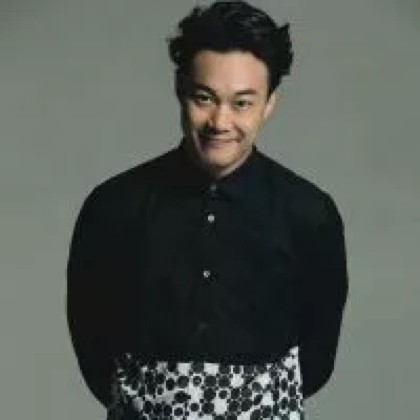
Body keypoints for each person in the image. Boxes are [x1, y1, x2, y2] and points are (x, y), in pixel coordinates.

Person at [66, 1, 349, 419]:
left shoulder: (309, 213)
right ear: (180, 89)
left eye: (242, 103)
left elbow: (319, 352)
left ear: (269, 103)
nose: (220, 121)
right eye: (204, 98)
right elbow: (90, 336)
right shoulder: (113, 207)